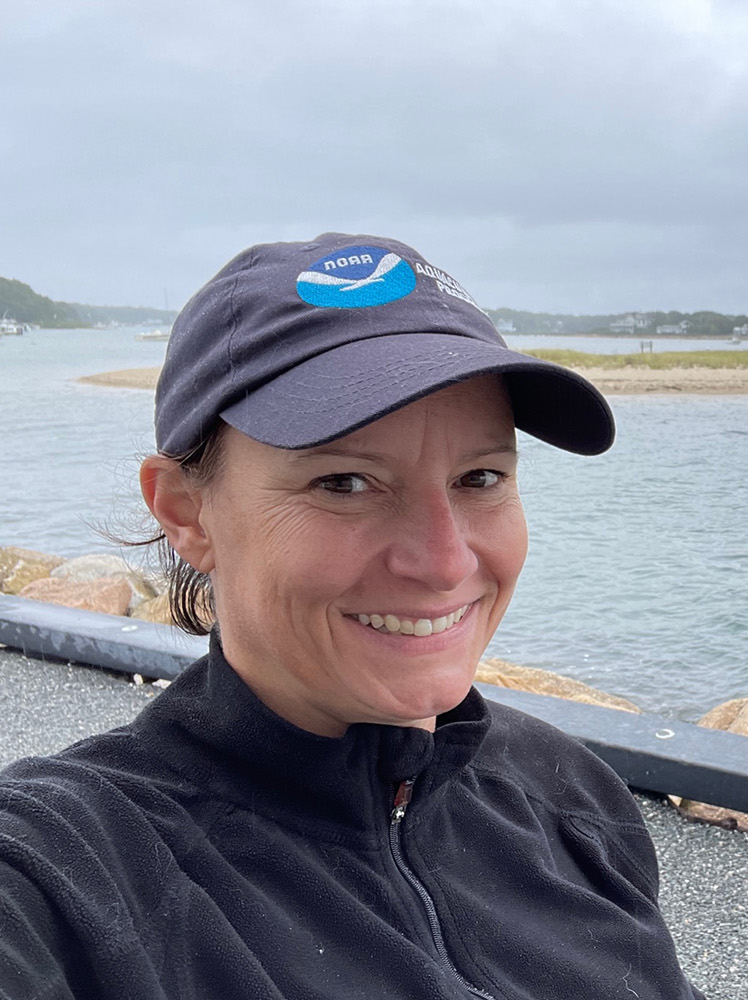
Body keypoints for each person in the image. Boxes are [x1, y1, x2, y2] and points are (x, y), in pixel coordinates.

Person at [0, 234, 705, 998]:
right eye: (344, 482)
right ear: (186, 512)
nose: (444, 563)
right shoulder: (67, 874)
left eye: (479, 477)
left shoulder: (570, 799)